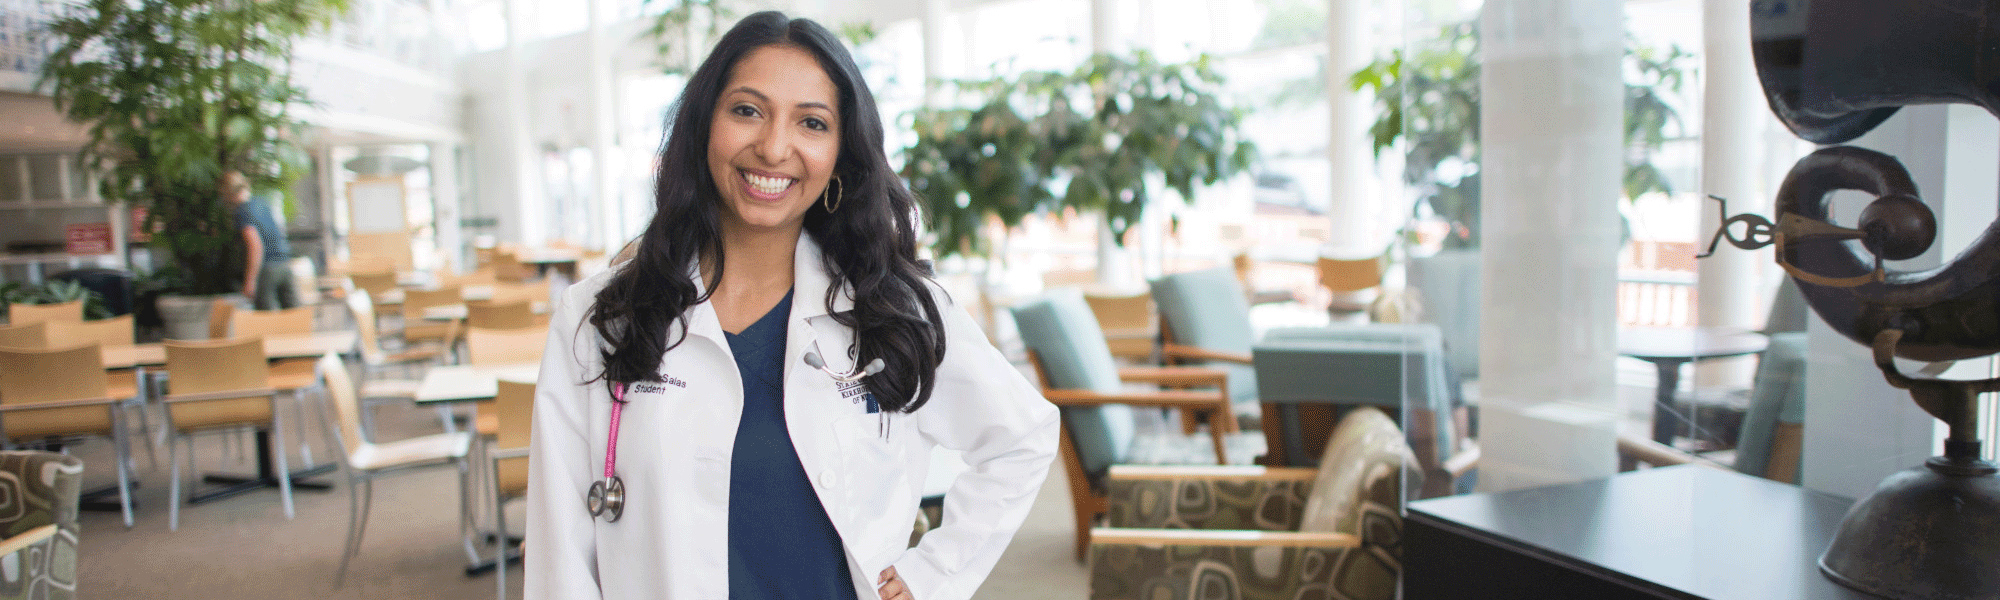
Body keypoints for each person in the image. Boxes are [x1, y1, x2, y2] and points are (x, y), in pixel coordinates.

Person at [525, 11, 1059, 600]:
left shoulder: (890, 307)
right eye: (747, 111)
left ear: (840, 153)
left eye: (812, 122)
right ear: (704, 125)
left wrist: (933, 576)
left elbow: (1022, 437)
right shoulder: (601, 317)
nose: (774, 147)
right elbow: (560, 546)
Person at [220, 171, 299, 310]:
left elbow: (255, 246)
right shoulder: (262, 202)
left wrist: (250, 280)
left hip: (267, 270)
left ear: (227, 193)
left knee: (265, 322)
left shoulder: (243, 211)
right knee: (294, 317)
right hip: (285, 264)